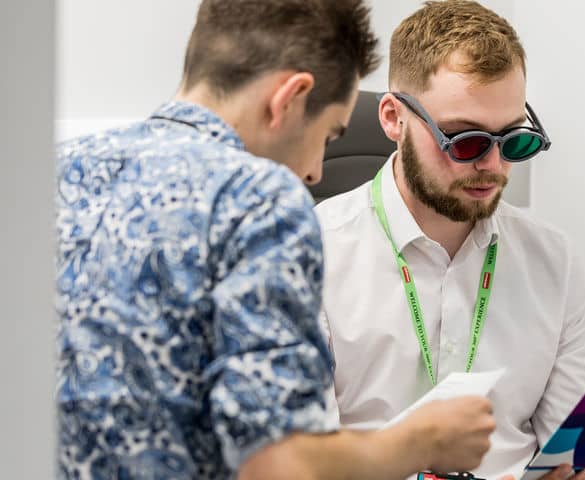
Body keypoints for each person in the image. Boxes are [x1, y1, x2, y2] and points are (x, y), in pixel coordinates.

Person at [55, 1, 498, 479]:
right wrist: (424, 439)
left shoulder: (52, 171)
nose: (313, 172)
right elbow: (281, 465)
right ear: (289, 99)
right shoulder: (259, 198)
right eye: (330, 135)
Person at [315, 1, 585, 479]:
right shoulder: (310, 257)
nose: (494, 166)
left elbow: (570, 455)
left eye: (514, 140)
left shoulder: (554, 262)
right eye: (465, 141)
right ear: (394, 118)